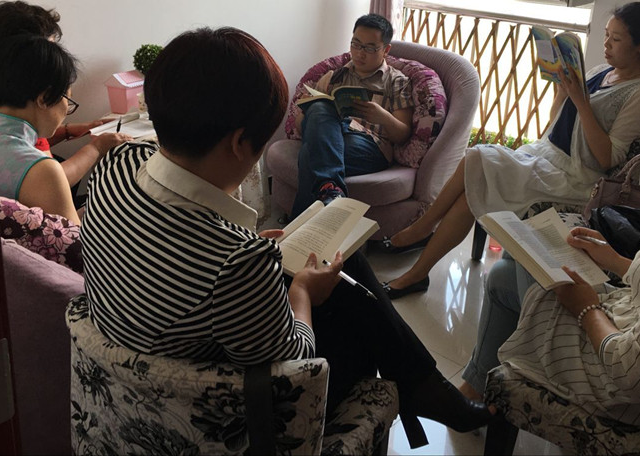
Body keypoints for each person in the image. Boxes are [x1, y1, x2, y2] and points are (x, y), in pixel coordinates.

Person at [80, 26, 492, 449]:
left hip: (136, 368)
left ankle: (426, 388)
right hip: (231, 416)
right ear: (239, 143)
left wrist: (258, 246)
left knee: (341, 259)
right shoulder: (240, 262)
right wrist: (301, 292)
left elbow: (179, 248)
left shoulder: (117, 165)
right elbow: (296, 360)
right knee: (359, 319)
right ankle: (423, 389)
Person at [460, 70, 640, 426]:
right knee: (502, 274)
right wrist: (615, 260)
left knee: (525, 256)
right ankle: (477, 391)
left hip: (617, 385)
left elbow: (632, 374)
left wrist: (586, 308)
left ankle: (483, 397)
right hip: (629, 326)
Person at [381, 2, 640, 298]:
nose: (607, 44)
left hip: (577, 177)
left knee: (476, 156)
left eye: (616, 38)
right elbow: (556, 124)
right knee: (470, 191)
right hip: (547, 155)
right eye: (606, 35)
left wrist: (582, 102)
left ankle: (421, 230)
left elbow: (607, 159)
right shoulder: (601, 72)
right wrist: (562, 92)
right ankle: (418, 271)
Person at [0, 0, 125, 189]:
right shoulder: (27, 102)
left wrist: (69, 130)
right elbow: (50, 182)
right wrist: (96, 148)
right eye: (49, 49)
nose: (56, 56)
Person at [290, 13, 414, 218]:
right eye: (355, 44)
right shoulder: (334, 76)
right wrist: (307, 109)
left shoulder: (397, 81)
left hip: (371, 146)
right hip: (333, 136)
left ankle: (297, 226)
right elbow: (301, 128)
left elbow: (403, 134)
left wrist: (383, 117)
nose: (359, 53)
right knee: (319, 109)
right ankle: (331, 193)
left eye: (370, 48)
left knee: (310, 155)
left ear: (386, 50)